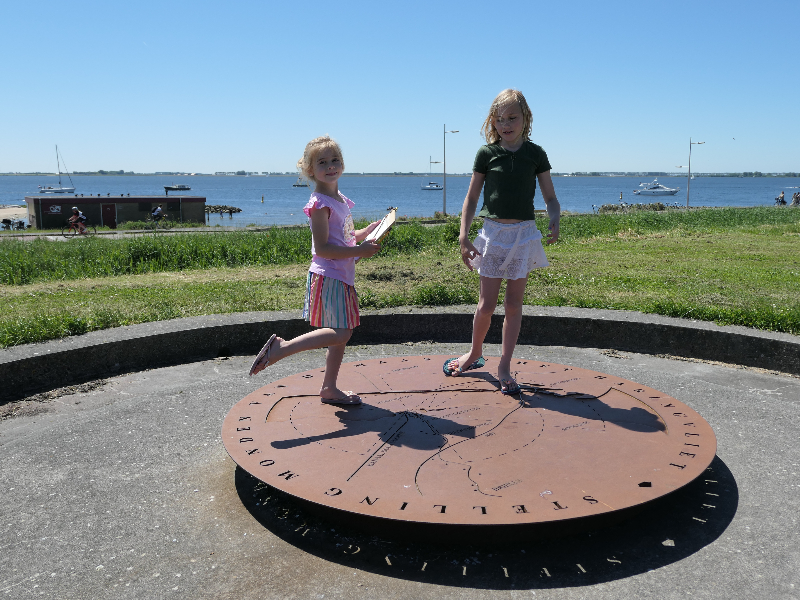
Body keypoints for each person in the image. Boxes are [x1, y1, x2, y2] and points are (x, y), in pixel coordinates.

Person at [443, 89, 560, 395]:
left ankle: (505, 365)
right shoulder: (486, 154)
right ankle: (473, 353)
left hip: (523, 236)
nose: (506, 123)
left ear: (526, 118)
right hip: (493, 236)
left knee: (513, 305)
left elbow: (550, 196)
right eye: (500, 118)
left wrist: (555, 217)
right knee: (486, 305)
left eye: (513, 117)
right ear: (492, 121)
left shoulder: (536, 154)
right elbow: (471, 198)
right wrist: (463, 235)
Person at [249, 135, 381, 404]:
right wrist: (360, 251)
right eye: (323, 162)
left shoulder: (338, 198)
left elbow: (340, 237)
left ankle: (329, 388)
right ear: (310, 170)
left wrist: (362, 234)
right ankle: (281, 348)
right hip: (329, 275)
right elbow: (322, 248)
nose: (331, 166)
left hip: (341, 275)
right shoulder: (319, 204)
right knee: (342, 332)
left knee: (339, 336)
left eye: (335, 160)